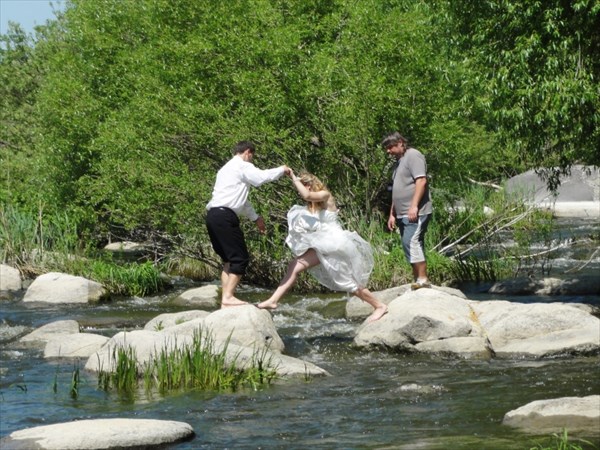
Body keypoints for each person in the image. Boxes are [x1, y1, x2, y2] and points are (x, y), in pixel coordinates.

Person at [258, 170, 388, 323]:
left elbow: (307, 196)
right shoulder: (312, 206)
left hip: (334, 245)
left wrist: (294, 178)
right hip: (322, 245)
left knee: (348, 283)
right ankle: (273, 300)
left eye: (303, 186)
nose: (301, 191)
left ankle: (379, 306)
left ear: (309, 185)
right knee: (294, 266)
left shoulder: (325, 195)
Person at [206, 140, 290, 308]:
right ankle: (228, 297)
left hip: (213, 215)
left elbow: (241, 201)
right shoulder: (242, 165)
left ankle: (225, 301)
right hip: (225, 216)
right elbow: (261, 178)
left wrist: (256, 218)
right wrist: (282, 169)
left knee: (228, 261)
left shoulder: (225, 169)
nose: (252, 160)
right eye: (252, 156)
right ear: (248, 153)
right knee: (240, 259)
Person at [381, 131, 433, 290]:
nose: (388, 151)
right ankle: (417, 279)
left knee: (411, 242)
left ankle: (423, 280)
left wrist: (414, 206)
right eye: (386, 148)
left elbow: (421, 181)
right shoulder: (398, 163)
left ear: (401, 143)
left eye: (390, 147)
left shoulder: (414, 155)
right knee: (410, 244)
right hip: (401, 212)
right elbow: (398, 190)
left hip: (417, 211)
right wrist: (392, 213)